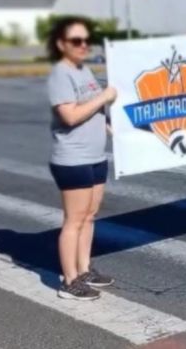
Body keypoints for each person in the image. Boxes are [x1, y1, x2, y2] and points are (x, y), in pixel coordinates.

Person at [47, 17, 117, 300]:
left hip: (96, 155)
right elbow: (71, 115)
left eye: (86, 40)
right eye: (76, 40)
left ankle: (84, 269)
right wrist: (105, 98)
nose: (83, 45)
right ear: (62, 44)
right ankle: (69, 280)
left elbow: (92, 113)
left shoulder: (84, 70)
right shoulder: (60, 75)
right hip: (72, 158)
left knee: (89, 216)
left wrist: (112, 129)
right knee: (74, 220)